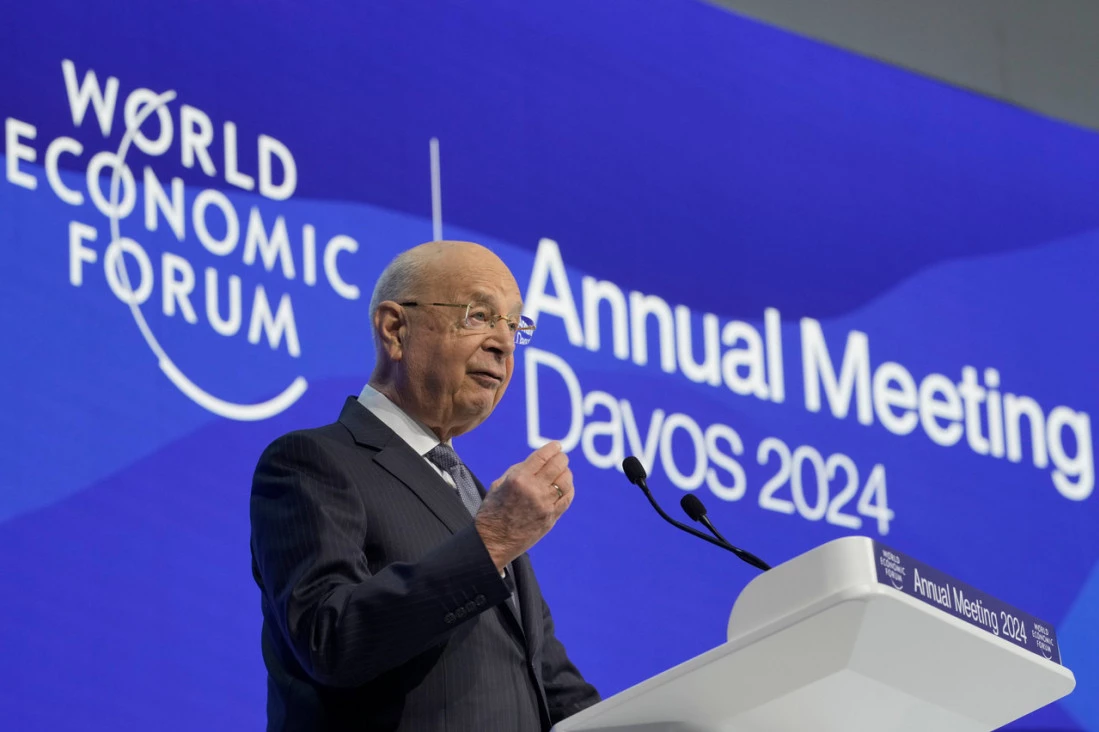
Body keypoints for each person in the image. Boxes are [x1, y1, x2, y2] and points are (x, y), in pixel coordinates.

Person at [250, 241, 601, 731]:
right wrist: (492, 542)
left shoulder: (478, 498)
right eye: (480, 316)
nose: (503, 342)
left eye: (514, 325)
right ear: (395, 330)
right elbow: (328, 640)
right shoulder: (312, 462)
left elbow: (554, 691)